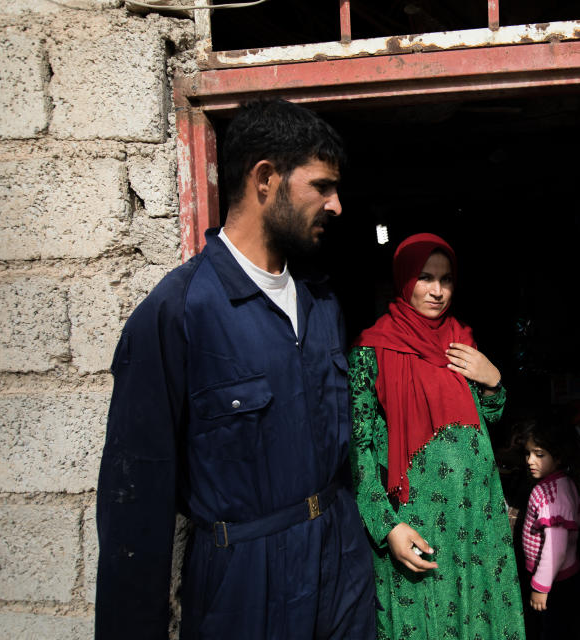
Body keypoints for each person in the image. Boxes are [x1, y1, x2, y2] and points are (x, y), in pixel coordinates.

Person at [95, 99, 375, 640]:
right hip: (246, 589)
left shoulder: (322, 303)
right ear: (265, 178)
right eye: (322, 186)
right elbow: (137, 505)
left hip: (340, 570)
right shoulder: (180, 312)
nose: (337, 205)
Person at [348, 233, 526, 640]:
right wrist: (387, 528)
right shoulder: (370, 351)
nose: (438, 291)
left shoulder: (461, 342)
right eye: (426, 277)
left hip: (477, 518)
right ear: (404, 279)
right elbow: (358, 450)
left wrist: (494, 381)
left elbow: (488, 419)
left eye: (446, 279)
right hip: (415, 525)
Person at [520, 412, 580, 640]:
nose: (530, 461)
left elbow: (555, 548)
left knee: (551, 631)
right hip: (561, 577)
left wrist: (541, 587)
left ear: (558, 457)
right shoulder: (563, 484)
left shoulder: (550, 494)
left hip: (554, 583)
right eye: (528, 453)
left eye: (539, 455)